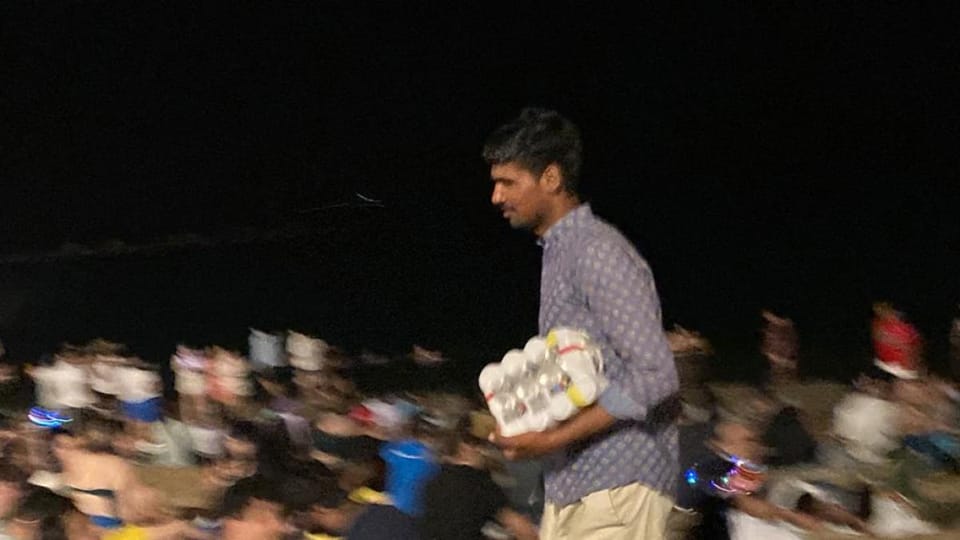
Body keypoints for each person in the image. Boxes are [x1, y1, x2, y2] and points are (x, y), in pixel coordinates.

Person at [483, 107, 679, 539]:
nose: (496, 196)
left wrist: (551, 440)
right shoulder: (559, 253)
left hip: (620, 486)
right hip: (575, 486)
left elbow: (657, 375)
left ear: (551, 179)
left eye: (508, 182)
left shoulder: (597, 251)